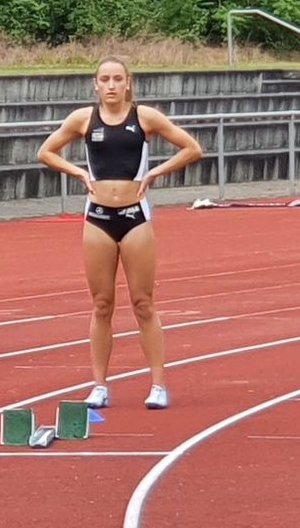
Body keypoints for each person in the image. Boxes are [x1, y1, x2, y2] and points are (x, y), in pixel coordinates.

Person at [36, 58, 202, 410]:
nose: (111, 85)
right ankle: (99, 385)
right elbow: (46, 152)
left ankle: (158, 384)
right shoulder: (83, 119)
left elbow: (192, 148)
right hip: (97, 217)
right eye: (104, 79)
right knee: (101, 304)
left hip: (134, 217)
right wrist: (78, 172)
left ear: (128, 83)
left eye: (117, 79)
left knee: (143, 303)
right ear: (95, 84)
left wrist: (155, 173)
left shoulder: (144, 117)